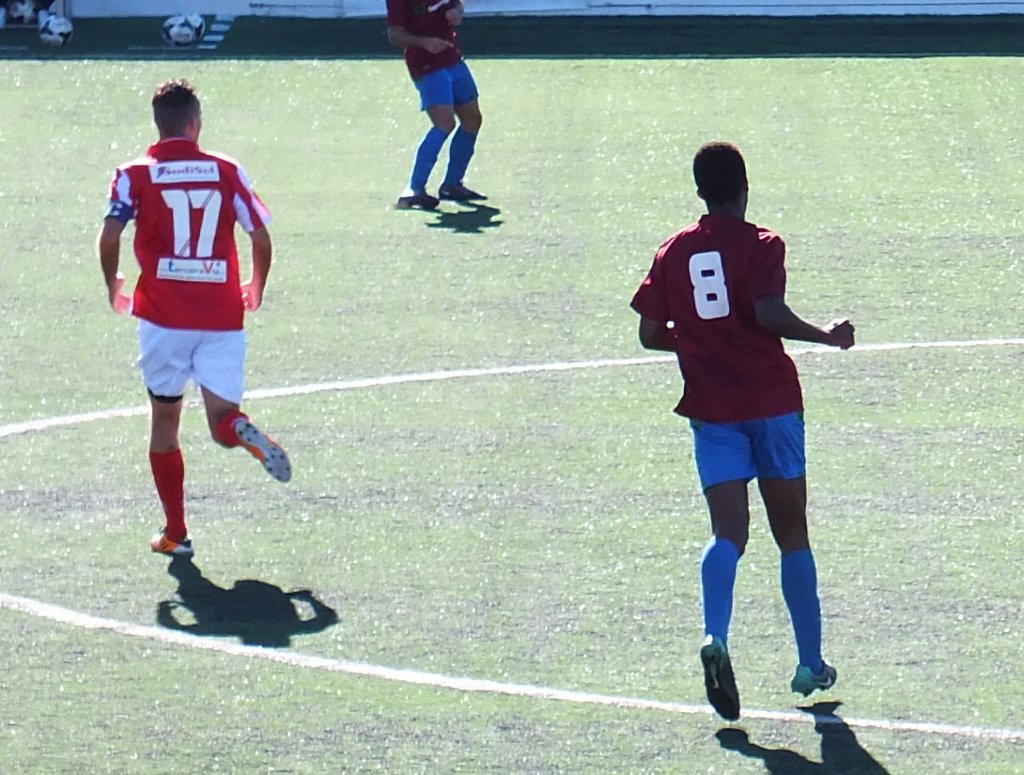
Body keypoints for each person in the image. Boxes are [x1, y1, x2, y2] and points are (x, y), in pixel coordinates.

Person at [630, 142, 855, 721]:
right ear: (744, 187)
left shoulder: (674, 251)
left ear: (700, 191)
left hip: (712, 406)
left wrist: (697, 341)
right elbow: (766, 312)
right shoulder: (763, 243)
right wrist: (826, 335)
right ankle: (810, 663)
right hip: (771, 401)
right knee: (792, 533)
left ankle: (715, 634)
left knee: (727, 532)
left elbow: (650, 333)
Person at [97, 78, 291, 560]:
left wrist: (113, 283)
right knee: (222, 420)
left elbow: (111, 234)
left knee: (165, 420)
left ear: (158, 125)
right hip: (222, 313)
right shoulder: (226, 170)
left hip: (163, 318)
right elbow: (260, 236)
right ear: (195, 125)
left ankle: (176, 534)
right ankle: (240, 429)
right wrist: (256, 284)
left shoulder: (133, 174)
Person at [385, 0, 485, 210]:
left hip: (452, 58)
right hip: (426, 65)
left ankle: (452, 184)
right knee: (444, 124)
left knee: (472, 119)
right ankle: (414, 189)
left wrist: (456, 11)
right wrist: (424, 43)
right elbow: (394, 34)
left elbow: (457, 2)